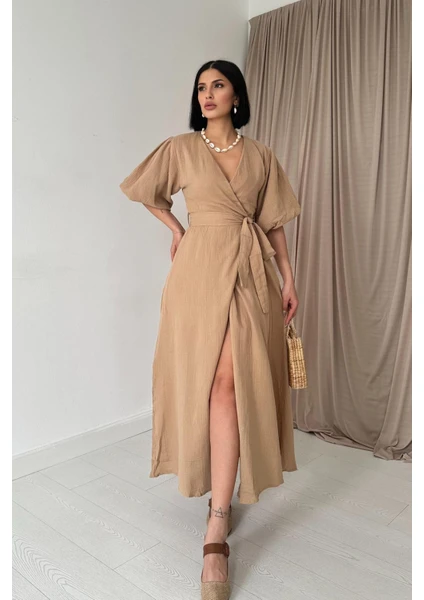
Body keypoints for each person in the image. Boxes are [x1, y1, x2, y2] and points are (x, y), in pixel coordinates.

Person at [120, 59, 301, 600]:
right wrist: (178, 229)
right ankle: (217, 505)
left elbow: (272, 222)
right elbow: (145, 191)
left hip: (249, 271)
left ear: (237, 96)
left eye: (218, 85)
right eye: (201, 87)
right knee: (210, 382)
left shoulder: (262, 156)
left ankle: (217, 520)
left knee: (231, 383)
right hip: (199, 270)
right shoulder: (181, 148)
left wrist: (289, 277)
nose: (207, 94)